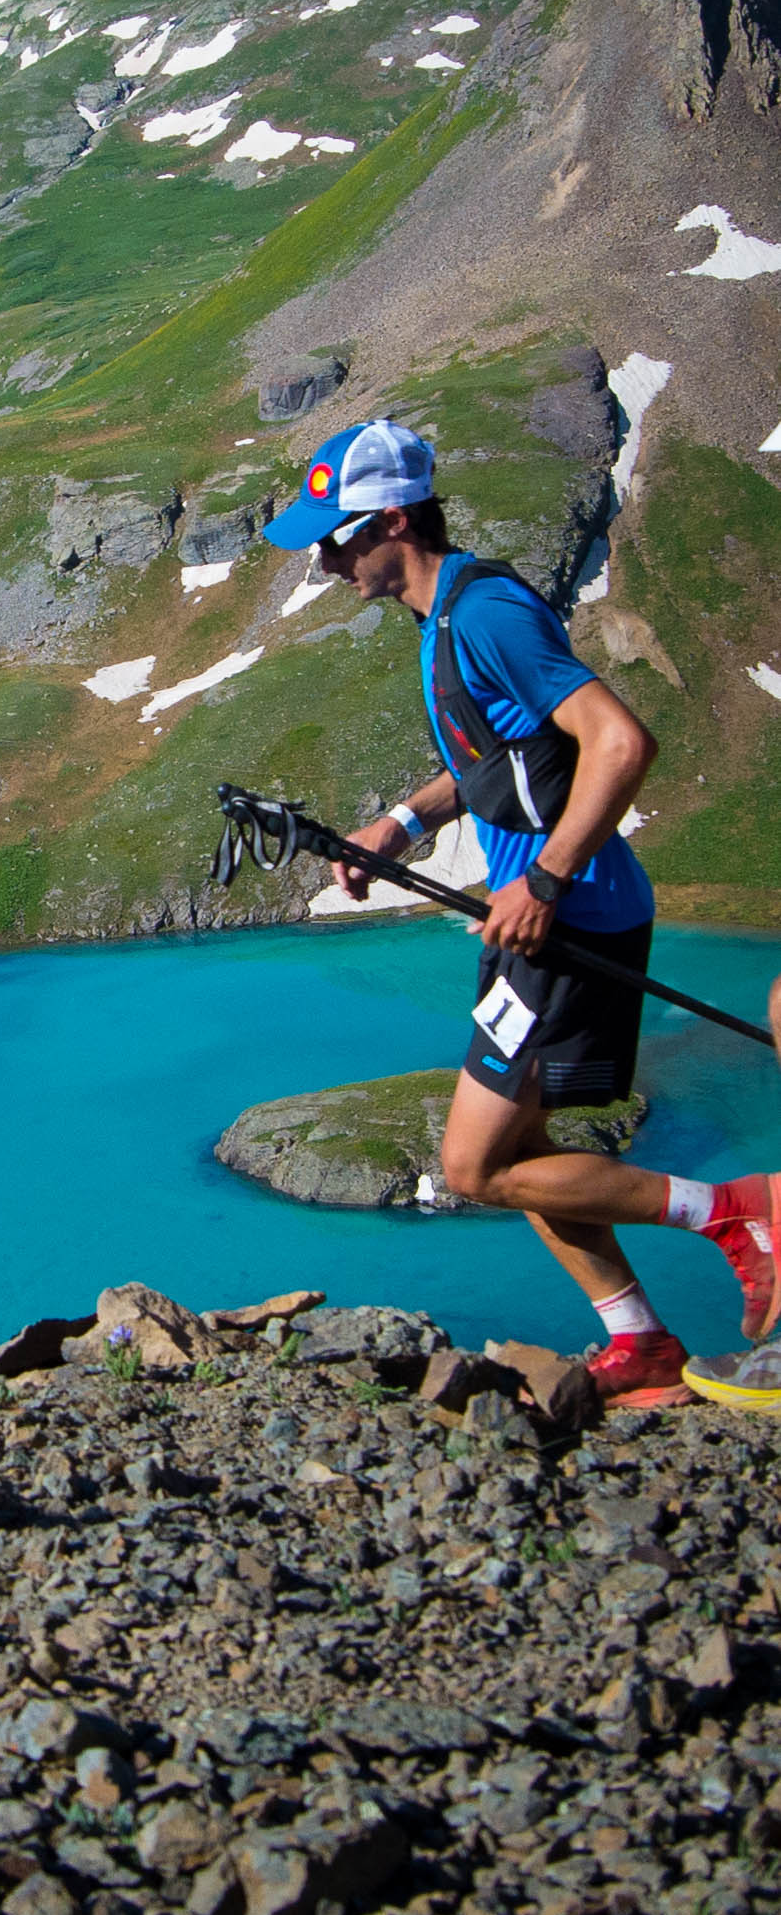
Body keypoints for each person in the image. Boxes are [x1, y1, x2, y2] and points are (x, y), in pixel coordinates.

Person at [264, 418, 774, 1405]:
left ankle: (739, 1210)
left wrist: (540, 879)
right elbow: (498, 759)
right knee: (513, 1152)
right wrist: (398, 825)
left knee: (470, 1164)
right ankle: (639, 1340)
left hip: (568, 917)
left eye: (336, 537)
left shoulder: (486, 613)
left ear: (394, 520)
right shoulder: (442, 618)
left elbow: (619, 742)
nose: (324, 560)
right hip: (541, 921)